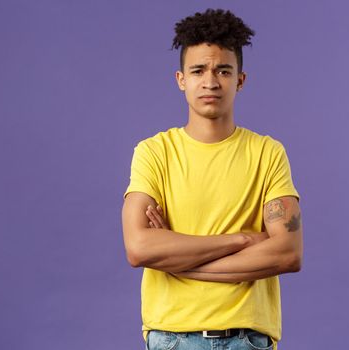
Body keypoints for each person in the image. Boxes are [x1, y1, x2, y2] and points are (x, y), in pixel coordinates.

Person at [121, 8, 302, 350]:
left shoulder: (267, 153)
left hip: (246, 340)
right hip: (172, 338)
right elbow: (139, 247)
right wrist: (241, 240)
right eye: (198, 70)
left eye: (223, 70)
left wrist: (178, 260)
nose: (210, 81)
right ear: (181, 79)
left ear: (240, 80)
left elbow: (287, 253)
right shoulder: (154, 152)